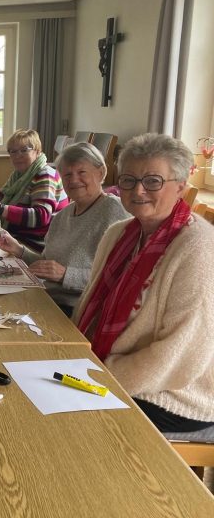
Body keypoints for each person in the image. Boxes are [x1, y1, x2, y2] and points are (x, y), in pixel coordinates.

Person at [74, 133, 214, 433]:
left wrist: (97, 374)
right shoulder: (118, 233)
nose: (138, 190)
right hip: (105, 366)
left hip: (171, 393)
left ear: (180, 186)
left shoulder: (199, 248)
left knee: (74, 426)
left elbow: (180, 356)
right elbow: (88, 307)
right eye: (129, 180)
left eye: (153, 181)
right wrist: (71, 356)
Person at [0, 143, 129, 315]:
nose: (74, 180)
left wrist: (66, 275)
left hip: (79, 310)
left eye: (82, 172)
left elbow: (122, 277)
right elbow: (47, 263)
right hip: (47, 298)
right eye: (67, 175)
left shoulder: (115, 211)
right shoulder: (62, 216)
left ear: (101, 172)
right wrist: (18, 250)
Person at [0, 128, 68, 252]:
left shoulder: (45, 175)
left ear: (37, 151)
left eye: (24, 150)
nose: (18, 156)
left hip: (36, 246)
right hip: (16, 239)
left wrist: (0, 208)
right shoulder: (18, 175)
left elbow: (41, 217)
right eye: (13, 151)